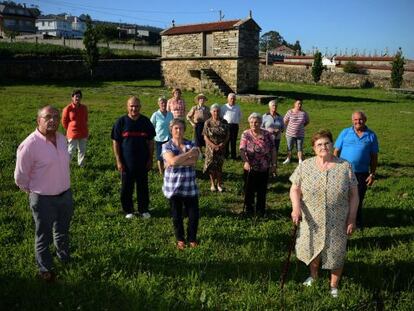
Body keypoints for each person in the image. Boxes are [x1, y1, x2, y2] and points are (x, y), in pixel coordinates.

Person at [290, 129, 359, 298]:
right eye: (319, 144)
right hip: (311, 219)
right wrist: (296, 208)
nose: (323, 147)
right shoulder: (305, 165)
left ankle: (333, 286)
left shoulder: (345, 166)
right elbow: (295, 189)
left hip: (338, 220)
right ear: (313, 148)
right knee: (313, 248)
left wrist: (351, 217)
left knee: (336, 251)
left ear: (332, 144)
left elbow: (354, 195)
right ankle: (314, 276)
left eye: (326, 143)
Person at [14, 105, 74, 282]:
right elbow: (20, 176)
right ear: (38, 120)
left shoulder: (62, 139)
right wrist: (34, 192)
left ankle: (64, 257)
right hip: (43, 199)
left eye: (56, 117)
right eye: (47, 117)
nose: (53, 120)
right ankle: (45, 267)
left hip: (65, 194)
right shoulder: (29, 145)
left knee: (62, 230)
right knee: (43, 234)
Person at [111, 96, 155, 219]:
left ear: (140, 107)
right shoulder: (121, 122)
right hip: (126, 163)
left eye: (136, 106)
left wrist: (150, 159)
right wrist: (118, 160)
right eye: (131, 106)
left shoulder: (146, 122)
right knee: (126, 187)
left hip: (142, 162)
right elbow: (116, 142)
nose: (134, 108)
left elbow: (150, 142)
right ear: (127, 107)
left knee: (143, 187)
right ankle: (128, 210)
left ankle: (143, 209)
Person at [333, 111, 379, 229]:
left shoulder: (371, 135)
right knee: (341, 197)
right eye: (355, 119)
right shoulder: (345, 132)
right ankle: (340, 220)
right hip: (343, 172)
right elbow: (336, 151)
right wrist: (334, 168)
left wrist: (372, 174)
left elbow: (374, 157)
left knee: (357, 198)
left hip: (361, 173)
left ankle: (356, 222)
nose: (358, 122)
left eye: (360, 119)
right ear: (352, 120)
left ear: (365, 120)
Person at [162, 119, 200, 250]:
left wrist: (175, 161)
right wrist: (187, 155)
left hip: (190, 186)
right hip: (174, 187)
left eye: (181, 128)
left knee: (194, 215)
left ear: (184, 130)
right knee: (177, 215)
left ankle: (192, 238)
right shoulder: (167, 146)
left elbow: (194, 161)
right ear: (171, 130)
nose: (179, 131)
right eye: (176, 128)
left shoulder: (191, 143)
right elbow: (172, 161)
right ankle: (180, 239)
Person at [240, 113, 276, 216]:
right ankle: (249, 209)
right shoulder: (246, 134)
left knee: (262, 191)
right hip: (250, 167)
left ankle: (261, 210)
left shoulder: (267, 134)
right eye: (251, 122)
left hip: (264, 167)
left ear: (260, 123)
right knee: (248, 190)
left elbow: (273, 149)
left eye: (256, 122)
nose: (254, 124)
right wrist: (246, 162)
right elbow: (242, 150)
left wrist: (273, 164)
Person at [203, 103, 229, 192]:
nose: (216, 113)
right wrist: (213, 145)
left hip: (221, 148)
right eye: (214, 111)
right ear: (211, 112)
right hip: (210, 149)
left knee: (219, 167)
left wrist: (223, 143)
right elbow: (205, 136)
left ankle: (219, 184)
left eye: (217, 111)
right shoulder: (208, 122)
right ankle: (212, 184)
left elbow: (228, 135)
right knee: (211, 166)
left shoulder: (224, 122)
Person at [61, 89, 88, 167]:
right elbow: (64, 121)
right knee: (71, 150)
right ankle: (66, 165)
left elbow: (85, 119)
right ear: (72, 97)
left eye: (79, 97)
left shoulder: (84, 108)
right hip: (73, 133)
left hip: (83, 132)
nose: (77, 98)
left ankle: (81, 164)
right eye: (76, 97)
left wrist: (83, 126)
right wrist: (70, 129)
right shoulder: (67, 108)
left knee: (82, 150)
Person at [150, 97, 174, 175]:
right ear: (159, 104)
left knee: (168, 155)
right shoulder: (156, 114)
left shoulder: (170, 114)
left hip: (169, 138)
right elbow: (151, 126)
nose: (163, 104)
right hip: (159, 138)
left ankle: (167, 170)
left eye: (164, 102)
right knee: (160, 157)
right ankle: (161, 172)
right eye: (161, 103)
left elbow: (173, 125)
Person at [283, 99, 310, 164]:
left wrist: (301, 127)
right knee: (289, 147)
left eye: (301, 104)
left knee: (299, 147)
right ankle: (288, 159)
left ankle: (300, 160)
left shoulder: (304, 113)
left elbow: (307, 121)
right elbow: (285, 120)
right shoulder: (290, 112)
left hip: (300, 134)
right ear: (294, 104)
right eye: (298, 104)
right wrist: (291, 127)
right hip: (290, 133)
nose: (300, 105)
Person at [262, 99, 284, 166]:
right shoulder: (265, 116)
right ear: (269, 107)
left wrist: (279, 130)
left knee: (275, 154)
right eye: (273, 105)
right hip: (267, 138)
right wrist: (269, 131)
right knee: (267, 153)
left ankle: (274, 169)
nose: (275, 107)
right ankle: (266, 168)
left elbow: (283, 127)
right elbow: (260, 127)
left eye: (276, 106)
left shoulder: (280, 117)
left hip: (277, 138)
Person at [221, 93, 242, 160]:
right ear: (228, 99)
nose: (232, 100)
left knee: (233, 141)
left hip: (235, 126)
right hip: (226, 125)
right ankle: (226, 155)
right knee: (226, 140)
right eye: (231, 99)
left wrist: (235, 121)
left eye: (234, 99)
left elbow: (240, 115)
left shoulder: (238, 107)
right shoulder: (224, 107)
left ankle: (233, 156)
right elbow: (221, 116)